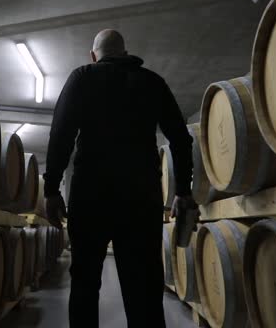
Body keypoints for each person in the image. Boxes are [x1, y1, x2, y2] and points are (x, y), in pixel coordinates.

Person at [43, 29, 195, 328]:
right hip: (141, 199)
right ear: (125, 53)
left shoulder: (82, 77)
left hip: (90, 197)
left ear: (93, 55)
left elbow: (60, 135)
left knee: (85, 285)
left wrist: (51, 189)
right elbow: (180, 138)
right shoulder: (152, 82)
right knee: (144, 289)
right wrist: (183, 190)